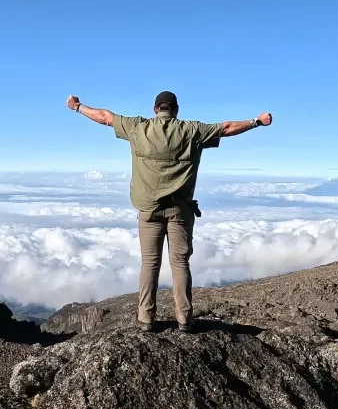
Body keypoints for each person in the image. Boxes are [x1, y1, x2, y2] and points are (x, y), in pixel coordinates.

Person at [66, 90, 273, 332]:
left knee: (149, 265)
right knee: (180, 264)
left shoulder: (137, 127)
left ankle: (146, 318)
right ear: (175, 110)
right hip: (180, 211)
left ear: (155, 109)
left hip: (148, 210)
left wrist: (78, 107)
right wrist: (256, 121)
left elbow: (105, 117)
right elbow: (226, 128)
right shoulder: (191, 130)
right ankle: (184, 319)